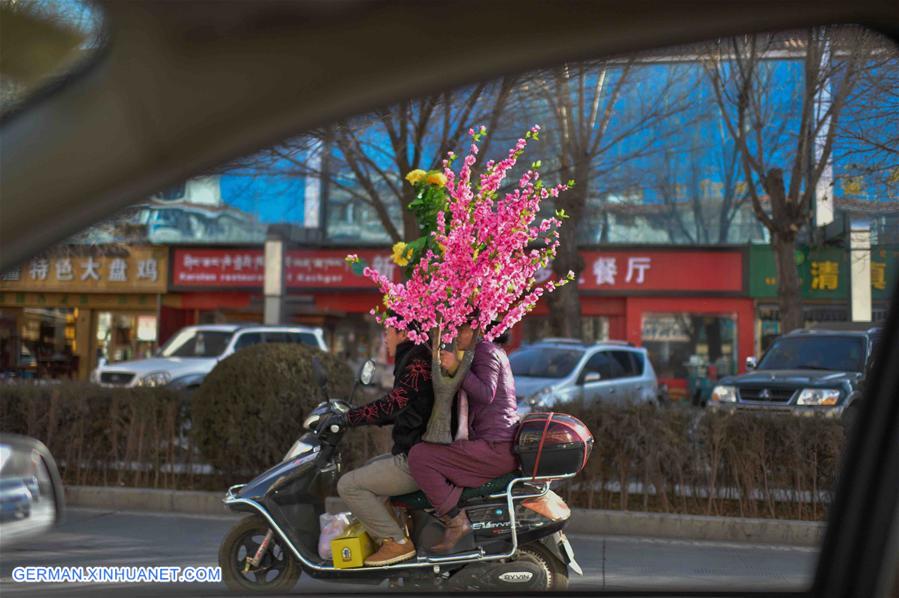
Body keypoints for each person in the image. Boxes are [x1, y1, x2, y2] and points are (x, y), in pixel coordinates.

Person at [329, 319, 434, 567]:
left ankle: (396, 541)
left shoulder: (417, 361)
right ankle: (401, 532)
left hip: (417, 458)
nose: (386, 338)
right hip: (418, 451)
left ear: (403, 332)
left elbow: (394, 404)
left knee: (349, 485)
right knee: (371, 467)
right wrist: (354, 415)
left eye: (388, 332)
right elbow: (402, 409)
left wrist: (348, 418)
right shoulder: (417, 355)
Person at [407, 323, 520, 553]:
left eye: (463, 329)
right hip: (497, 446)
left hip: (494, 447)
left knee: (420, 456)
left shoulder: (484, 350)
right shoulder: (492, 350)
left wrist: (457, 367)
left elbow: (486, 393)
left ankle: (456, 520)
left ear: (479, 329)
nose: (455, 334)